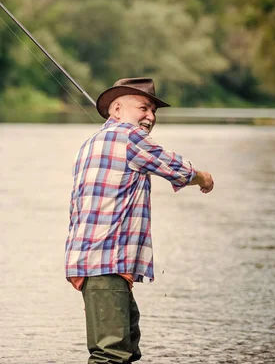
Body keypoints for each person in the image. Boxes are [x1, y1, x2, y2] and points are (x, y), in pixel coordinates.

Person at [65, 78, 214, 363]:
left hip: (93, 263)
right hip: (106, 262)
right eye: (144, 108)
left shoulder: (90, 143)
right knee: (111, 355)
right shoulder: (130, 138)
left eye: (154, 111)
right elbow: (175, 167)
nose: (151, 117)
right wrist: (203, 177)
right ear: (117, 109)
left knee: (127, 349)